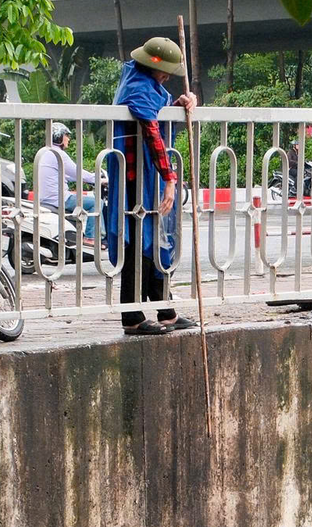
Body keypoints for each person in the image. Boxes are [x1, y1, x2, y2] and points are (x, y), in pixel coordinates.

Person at [103, 37, 197, 336]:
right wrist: (170, 179)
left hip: (145, 177)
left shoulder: (146, 82)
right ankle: (131, 316)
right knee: (137, 240)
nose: (167, 76)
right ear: (151, 65)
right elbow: (152, 134)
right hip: (133, 178)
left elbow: (162, 104)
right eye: (164, 71)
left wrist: (180, 102)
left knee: (155, 240)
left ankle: (165, 309)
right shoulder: (137, 86)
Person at [37, 122, 98, 241]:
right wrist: (97, 179)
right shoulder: (58, 154)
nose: (68, 139)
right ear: (58, 136)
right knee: (96, 202)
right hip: (59, 199)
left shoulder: (44, 152)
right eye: (66, 135)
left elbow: (66, 175)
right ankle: (91, 238)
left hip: (45, 198)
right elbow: (77, 172)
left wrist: (89, 179)